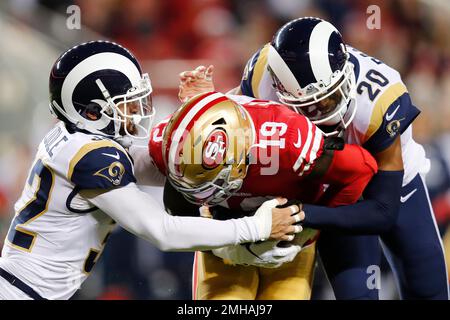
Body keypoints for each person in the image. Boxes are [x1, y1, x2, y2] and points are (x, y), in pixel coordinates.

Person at [0, 41, 300, 300]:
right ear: (90, 112)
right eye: (125, 105)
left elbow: (163, 166)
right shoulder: (90, 155)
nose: (135, 112)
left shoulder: (80, 140)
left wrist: (199, 117)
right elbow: (162, 231)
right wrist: (255, 228)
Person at [178, 17, 449, 300]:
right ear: (282, 92)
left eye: (329, 100)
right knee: (358, 296)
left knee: (427, 290)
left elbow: (383, 210)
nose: (324, 113)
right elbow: (234, 132)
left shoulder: (380, 98)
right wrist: (206, 107)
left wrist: (302, 213)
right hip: (327, 188)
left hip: (385, 185)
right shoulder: (263, 78)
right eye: (310, 107)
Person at [150, 91, 377, 299]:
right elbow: (182, 216)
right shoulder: (171, 145)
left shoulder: (287, 140)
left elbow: (362, 169)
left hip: (288, 231)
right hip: (222, 224)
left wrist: (308, 229)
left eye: (214, 183)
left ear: (244, 150)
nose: (206, 193)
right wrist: (229, 248)